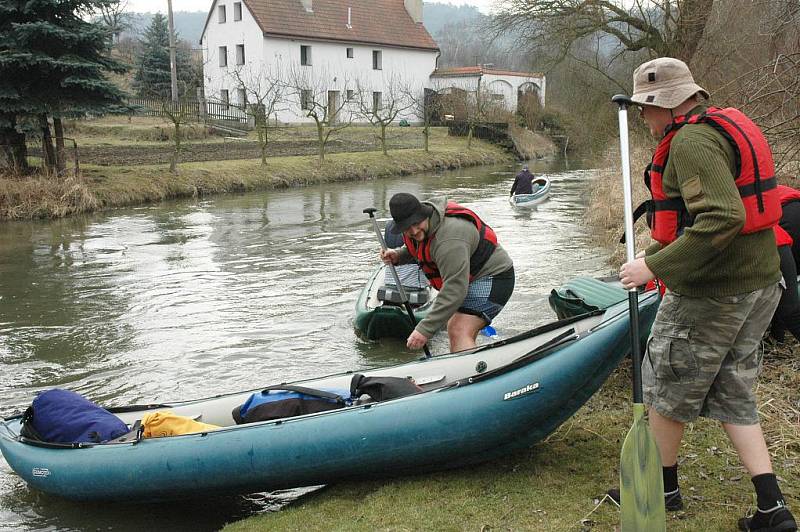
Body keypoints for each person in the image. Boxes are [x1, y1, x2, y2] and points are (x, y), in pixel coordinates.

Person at [613, 57, 796, 532]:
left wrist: (652, 266)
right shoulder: (718, 127)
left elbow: (721, 218)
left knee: (668, 384)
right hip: (760, 284)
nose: (644, 120)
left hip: (715, 293)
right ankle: (772, 508)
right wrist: (656, 252)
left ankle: (658, 488)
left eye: (645, 110)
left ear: (664, 105)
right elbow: (700, 221)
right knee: (734, 389)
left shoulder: (691, 142)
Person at [381, 192, 514, 352]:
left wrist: (424, 330)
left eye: (416, 223)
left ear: (424, 214)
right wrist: (399, 255)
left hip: (495, 277)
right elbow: (422, 247)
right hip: (469, 278)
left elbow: (454, 289)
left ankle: (473, 374)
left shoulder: (449, 240)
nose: (414, 231)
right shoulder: (423, 229)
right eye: (407, 228)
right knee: (454, 325)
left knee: (459, 329)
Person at [770, 184, 800, 343]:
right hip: (786, 211)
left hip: (785, 216)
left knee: (787, 298)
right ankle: (777, 336)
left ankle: (777, 336)